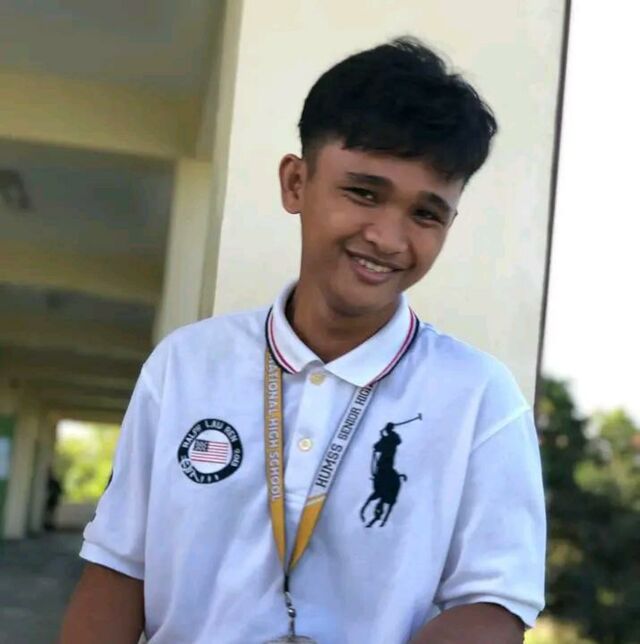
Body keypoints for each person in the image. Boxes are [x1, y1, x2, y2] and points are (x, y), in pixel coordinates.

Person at [61, 37, 545, 644]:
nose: (388, 237)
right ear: (296, 183)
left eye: (426, 214)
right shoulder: (186, 366)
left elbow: (494, 603)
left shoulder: (479, 399)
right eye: (364, 193)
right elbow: (118, 570)